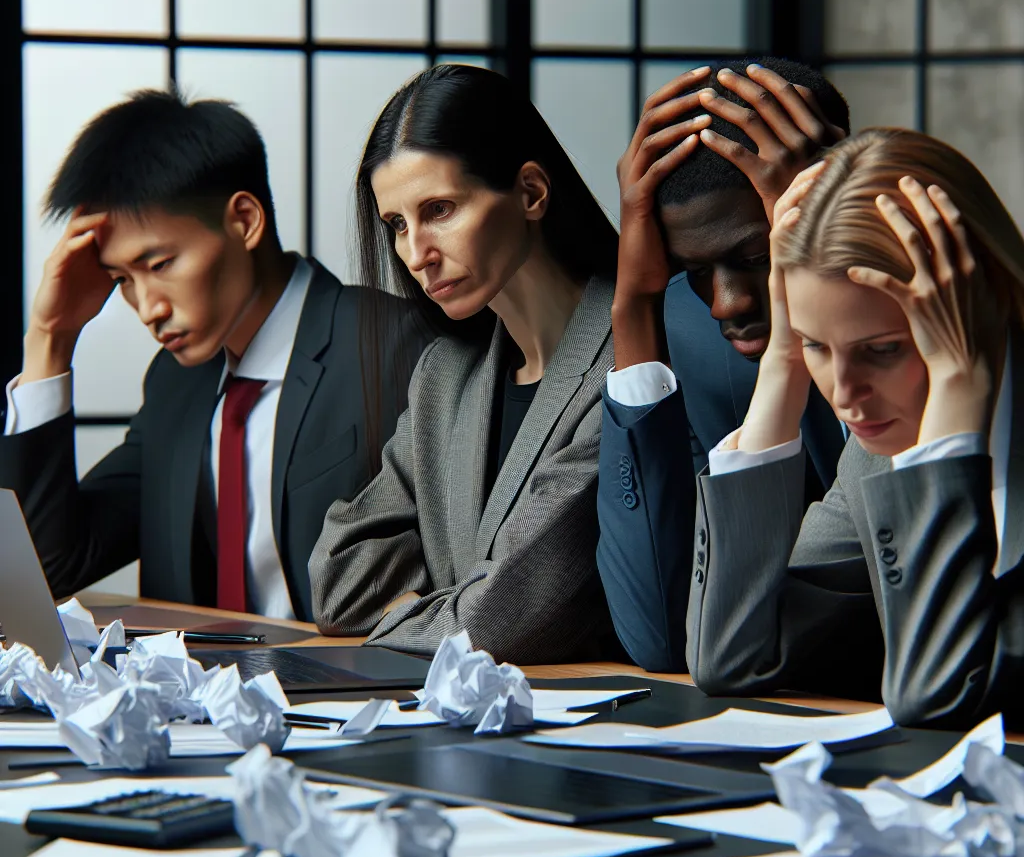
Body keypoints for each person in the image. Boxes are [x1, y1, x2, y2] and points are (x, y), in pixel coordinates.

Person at [0, 88, 422, 621]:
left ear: (244, 220)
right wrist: (50, 337)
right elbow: (46, 571)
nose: (146, 307)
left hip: (361, 695)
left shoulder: (395, 349)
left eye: (159, 264)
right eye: (121, 279)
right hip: (200, 700)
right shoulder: (176, 384)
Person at [686, 127, 1024, 727]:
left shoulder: (911, 429)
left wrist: (955, 383)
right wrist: (783, 361)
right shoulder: (876, 450)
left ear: (981, 303)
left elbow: (935, 694)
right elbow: (730, 656)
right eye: (819, 346)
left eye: (884, 349)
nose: (845, 397)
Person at [309, 63, 621, 663]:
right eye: (397, 225)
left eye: (441, 210)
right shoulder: (445, 375)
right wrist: (454, 607)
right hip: (452, 718)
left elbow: (495, 625)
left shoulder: (626, 358)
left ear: (530, 192)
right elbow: (340, 581)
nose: (416, 254)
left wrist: (414, 607)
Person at [597, 58, 851, 671]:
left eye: (756, 256)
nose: (725, 305)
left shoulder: (954, 332)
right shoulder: (688, 342)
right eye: (696, 272)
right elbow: (658, 632)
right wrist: (634, 307)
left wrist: (830, 226)